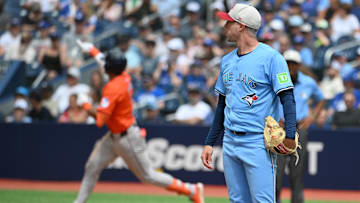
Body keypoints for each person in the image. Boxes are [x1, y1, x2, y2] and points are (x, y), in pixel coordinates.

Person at [73, 40, 204, 203]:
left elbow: (100, 120)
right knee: (92, 166)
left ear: (110, 69)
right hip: (114, 136)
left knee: (149, 176)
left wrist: (85, 104)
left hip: (128, 138)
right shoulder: (123, 75)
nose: (104, 65)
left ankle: (191, 190)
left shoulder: (113, 88)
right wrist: (92, 49)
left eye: (107, 64)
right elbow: (103, 63)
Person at [200, 4, 297, 203]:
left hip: (257, 142)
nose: (225, 26)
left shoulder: (272, 58)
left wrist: (289, 135)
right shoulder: (227, 60)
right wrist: (210, 142)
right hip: (230, 141)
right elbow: (222, 105)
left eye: (229, 22)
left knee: (262, 201)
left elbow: (287, 98)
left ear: (241, 26)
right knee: (237, 200)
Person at [276, 50, 325, 203]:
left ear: (299, 66)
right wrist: (273, 117)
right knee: (276, 174)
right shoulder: (276, 80)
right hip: (279, 130)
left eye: (293, 64)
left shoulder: (308, 82)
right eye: (287, 63)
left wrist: (312, 117)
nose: (290, 66)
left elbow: (321, 99)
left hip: (299, 129)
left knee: (297, 175)